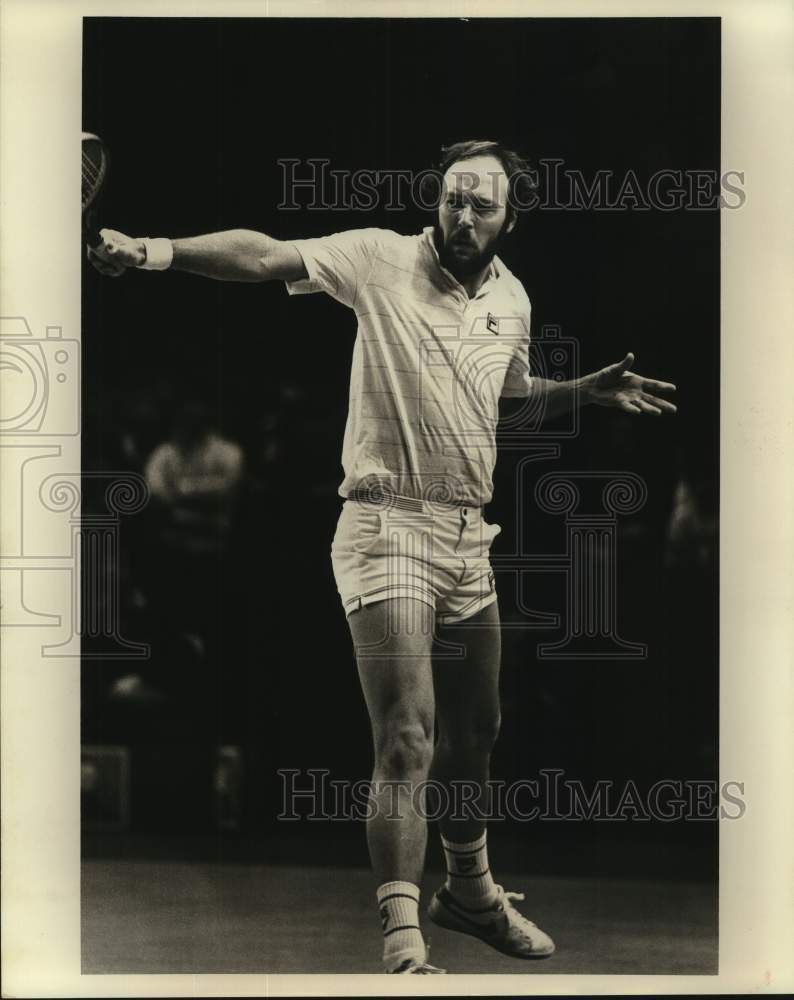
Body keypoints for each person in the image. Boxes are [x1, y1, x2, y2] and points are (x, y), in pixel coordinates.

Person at [89, 139, 677, 974]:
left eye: (481, 204)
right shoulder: (379, 258)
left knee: (477, 733)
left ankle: (470, 892)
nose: (461, 215)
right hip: (385, 524)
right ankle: (404, 941)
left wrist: (581, 392)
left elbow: (503, 399)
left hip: (468, 537)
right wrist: (154, 252)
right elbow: (263, 256)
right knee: (408, 735)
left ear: (512, 217)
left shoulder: (512, 296)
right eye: (451, 198)